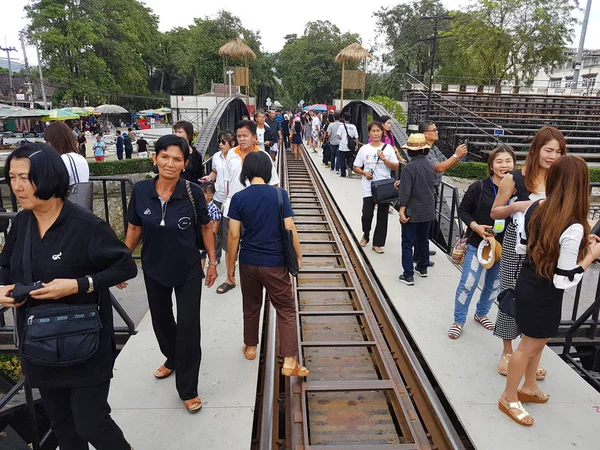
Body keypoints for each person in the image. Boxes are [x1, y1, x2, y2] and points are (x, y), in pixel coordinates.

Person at [0, 143, 137, 449]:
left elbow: (125, 266)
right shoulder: (21, 223)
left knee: (92, 422)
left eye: (25, 177)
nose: (17, 186)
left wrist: (79, 284)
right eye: (12, 177)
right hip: (40, 348)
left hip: (85, 345)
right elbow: (6, 266)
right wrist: (3, 289)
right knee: (63, 427)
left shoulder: (85, 225)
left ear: (48, 177)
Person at [498, 155, 600, 427]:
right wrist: (590, 255)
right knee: (528, 347)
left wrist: (578, 243)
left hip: (528, 280)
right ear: (581, 186)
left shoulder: (536, 206)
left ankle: (529, 386)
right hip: (546, 292)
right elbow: (565, 278)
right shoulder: (573, 224)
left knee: (538, 342)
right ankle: (509, 397)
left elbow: (523, 245)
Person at [122, 134, 217, 413]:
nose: (170, 163)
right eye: (165, 156)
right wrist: (121, 264)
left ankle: (188, 388)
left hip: (188, 269)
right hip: (154, 268)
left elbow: (205, 228)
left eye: (177, 159)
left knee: (189, 328)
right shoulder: (141, 191)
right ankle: (173, 358)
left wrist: (212, 262)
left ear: (185, 164)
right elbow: (134, 230)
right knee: (162, 322)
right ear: (155, 158)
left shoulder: (192, 192)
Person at [490, 126, 566, 380]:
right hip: (517, 242)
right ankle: (508, 351)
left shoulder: (560, 178)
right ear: (536, 149)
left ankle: (532, 355)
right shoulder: (515, 178)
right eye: (548, 150)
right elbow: (495, 212)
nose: (552, 156)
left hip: (547, 244)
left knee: (540, 299)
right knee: (512, 293)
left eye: (558, 151)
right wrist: (520, 206)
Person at [227, 151, 308, 376]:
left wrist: (231, 268)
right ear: (267, 170)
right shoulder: (279, 195)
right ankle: (290, 360)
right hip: (275, 263)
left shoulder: (239, 198)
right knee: (285, 309)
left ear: (247, 172)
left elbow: (233, 235)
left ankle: (251, 347)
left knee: (251, 305)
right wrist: (298, 256)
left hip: (248, 262)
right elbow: (290, 229)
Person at [448, 146, 516, 339]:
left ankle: (481, 313)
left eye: (508, 161)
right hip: (477, 243)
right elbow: (463, 210)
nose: (504, 165)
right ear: (492, 166)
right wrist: (476, 226)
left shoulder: (518, 189)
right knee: (468, 282)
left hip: (504, 247)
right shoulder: (479, 187)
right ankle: (458, 320)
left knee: (494, 284)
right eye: (499, 161)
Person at [218, 120, 280, 295]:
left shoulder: (263, 157)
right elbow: (229, 181)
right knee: (231, 243)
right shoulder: (231, 154)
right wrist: (227, 201)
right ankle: (230, 277)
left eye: (245, 136)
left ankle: (258, 277)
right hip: (234, 206)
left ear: (254, 137)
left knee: (255, 243)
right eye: (239, 136)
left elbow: (273, 184)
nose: (242, 139)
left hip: (255, 208)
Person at [415, 121, 468, 266]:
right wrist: (456, 156)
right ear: (425, 133)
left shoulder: (434, 148)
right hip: (425, 190)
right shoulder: (423, 149)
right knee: (424, 222)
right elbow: (438, 168)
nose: (437, 132)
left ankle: (421, 250)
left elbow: (446, 163)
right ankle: (420, 255)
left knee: (428, 221)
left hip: (433, 189)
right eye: (434, 130)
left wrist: (459, 156)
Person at [352, 121, 399, 254]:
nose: (376, 133)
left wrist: (384, 159)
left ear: (382, 132)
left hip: (384, 187)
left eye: (378, 131)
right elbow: (355, 166)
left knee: (382, 216)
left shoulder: (388, 148)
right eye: (373, 131)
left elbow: (396, 167)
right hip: (368, 187)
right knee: (366, 215)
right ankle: (366, 235)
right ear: (369, 133)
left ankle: (377, 243)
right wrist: (364, 173)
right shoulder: (364, 149)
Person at [397, 133, 435, 285]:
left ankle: (408, 275)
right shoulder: (430, 165)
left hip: (412, 210)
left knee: (407, 243)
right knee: (423, 240)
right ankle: (423, 267)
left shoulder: (409, 167)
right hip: (428, 209)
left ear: (410, 151)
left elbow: (406, 192)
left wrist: (401, 211)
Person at [202, 130, 237, 263]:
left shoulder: (237, 157)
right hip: (217, 197)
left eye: (224, 142)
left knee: (231, 231)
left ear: (232, 143)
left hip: (232, 199)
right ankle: (215, 258)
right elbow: (214, 173)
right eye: (219, 142)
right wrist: (209, 178)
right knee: (216, 229)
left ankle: (232, 256)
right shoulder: (216, 157)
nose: (220, 145)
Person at [44, 121, 90, 186]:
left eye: (48, 141)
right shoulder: (78, 157)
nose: (47, 145)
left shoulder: (65, 159)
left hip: (71, 195)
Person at [199, 182, 221, 271]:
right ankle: (199, 270)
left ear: (210, 196)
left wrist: (213, 234)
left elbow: (216, 222)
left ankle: (206, 267)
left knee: (207, 252)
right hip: (200, 233)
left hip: (209, 234)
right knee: (201, 253)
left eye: (203, 194)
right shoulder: (199, 206)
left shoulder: (213, 208)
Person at [336, 112, 359, 178]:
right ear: (350, 118)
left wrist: (341, 137)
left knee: (342, 160)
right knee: (350, 158)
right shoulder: (353, 127)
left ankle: (343, 173)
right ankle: (349, 166)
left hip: (342, 147)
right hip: (350, 147)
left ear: (344, 119)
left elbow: (339, 137)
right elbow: (356, 137)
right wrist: (357, 145)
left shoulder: (341, 126)